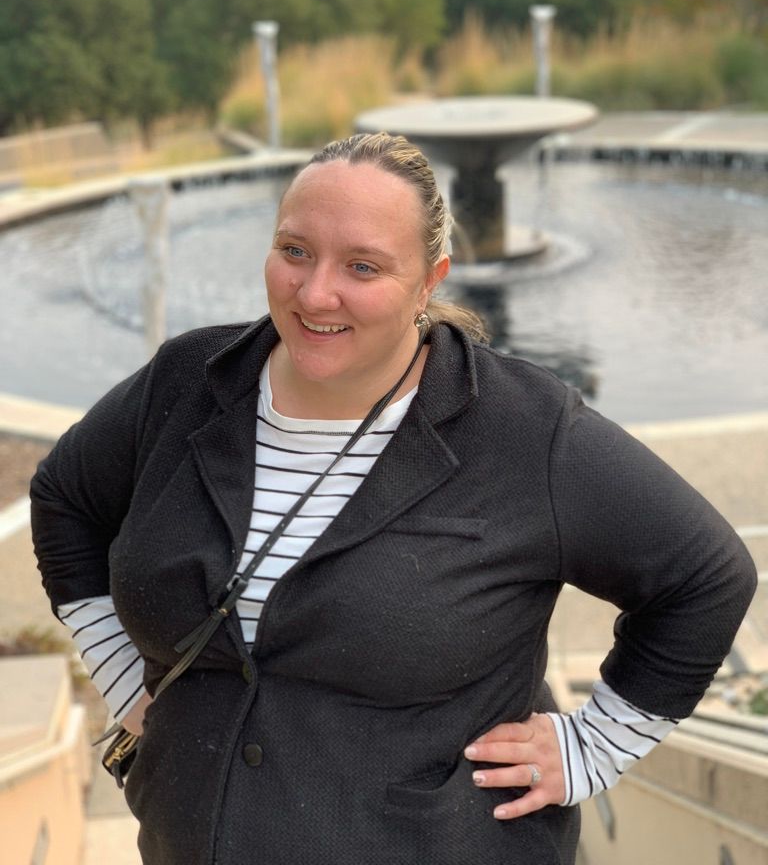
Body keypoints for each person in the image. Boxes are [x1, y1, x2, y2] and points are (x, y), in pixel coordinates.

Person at [31, 132, 756, 865]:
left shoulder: (525, 430)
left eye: (363, 266)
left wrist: (591, 748)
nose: (315, 293)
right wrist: (123, 677)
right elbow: (64, 500)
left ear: (429, 281)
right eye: (295, 251)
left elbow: (705, 578)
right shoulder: (188, 379)